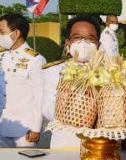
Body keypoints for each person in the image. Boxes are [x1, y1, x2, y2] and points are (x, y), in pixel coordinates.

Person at [42, 15, 100, 148]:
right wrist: (76, 108)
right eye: (77, 37)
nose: (83, 42)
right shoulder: (54, 71)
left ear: (98, 44)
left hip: (98, 145)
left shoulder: (111, 74)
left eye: (90, 38)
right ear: (68, 42)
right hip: (65, 142)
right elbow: (47, 110)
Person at [0, 13, 46, 147]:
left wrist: (36, 128)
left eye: (2, 32)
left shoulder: (36, 60)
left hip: (24, 130)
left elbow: (40, 96)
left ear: (16, 33)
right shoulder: (2, 56)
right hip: (2, 125)